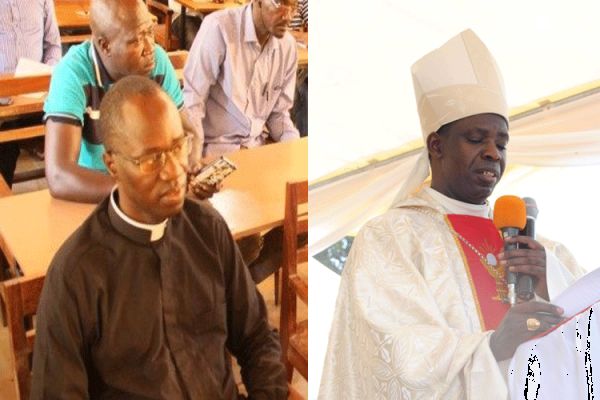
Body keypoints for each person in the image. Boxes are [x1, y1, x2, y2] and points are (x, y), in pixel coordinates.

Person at [319, 29, 584, 399]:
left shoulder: (539, 248)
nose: (493, 152)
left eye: (502, 142)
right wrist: (494, 347)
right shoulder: (391, 237)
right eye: (477, 139)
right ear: (436, 145)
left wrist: (546, 283)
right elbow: (397, 364)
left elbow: (587, 346)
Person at [31, 76, 288, 399]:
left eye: (178, 146)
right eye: (151, 159)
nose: (174, 171)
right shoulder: (77, 273)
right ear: (112, 164)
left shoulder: (207, 228)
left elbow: (257, 338)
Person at [43, 0, 207, 203]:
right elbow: (59, 175)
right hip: (94, 195)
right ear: (105, 45)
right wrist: (138, 191)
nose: (150, 48)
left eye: (149, 31)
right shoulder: (72, 74)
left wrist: (189, 169)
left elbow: (189, 133)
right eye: (137, 40)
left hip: (152, 190)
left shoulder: (157, 63)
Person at [183, 0, 300, 157]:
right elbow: (193, 101)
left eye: (293, 6)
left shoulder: (288, 47)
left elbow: (279, 115)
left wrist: (296, 148)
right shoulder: (219, 28)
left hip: (256, 148)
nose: (288, 15)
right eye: (279, 3)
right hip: (215, 149)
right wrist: (194, 155)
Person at [0, 0, 61, 187]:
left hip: (38, 98)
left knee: (74, 134)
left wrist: (46, 78)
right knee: (5, 156)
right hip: (3, 104)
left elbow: (53, 46)